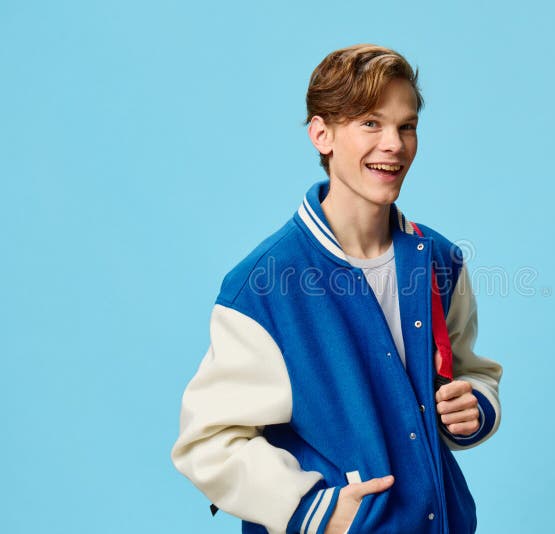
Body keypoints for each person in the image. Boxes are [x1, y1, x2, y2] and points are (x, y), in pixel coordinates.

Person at [171, 44, 503, 534]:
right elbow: (207, 442)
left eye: (406, 126)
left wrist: (474, 405)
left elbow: (471, 372)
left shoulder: (439, 259)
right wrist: (313, 509)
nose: (394, 144)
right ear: (321, 134)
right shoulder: (262, 286)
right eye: (370, 123)